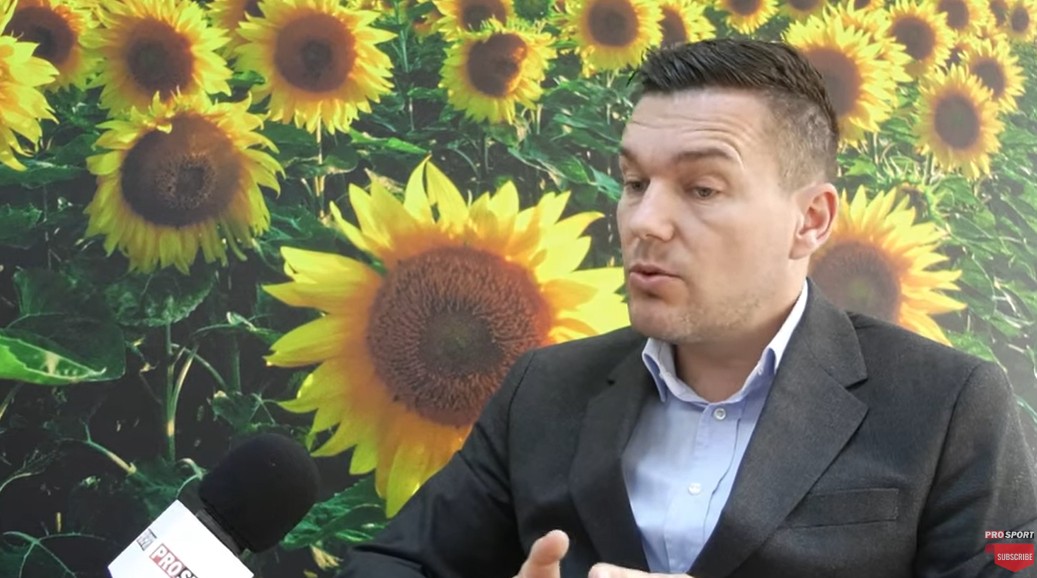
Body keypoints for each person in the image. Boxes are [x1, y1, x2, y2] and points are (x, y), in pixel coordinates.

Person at [339, 38, 1037, 578]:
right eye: (634, 182)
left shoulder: (949, 404)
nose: (645, 221)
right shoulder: (543, 391)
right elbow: (389, 564)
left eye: (702, 189)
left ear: (811, 220)